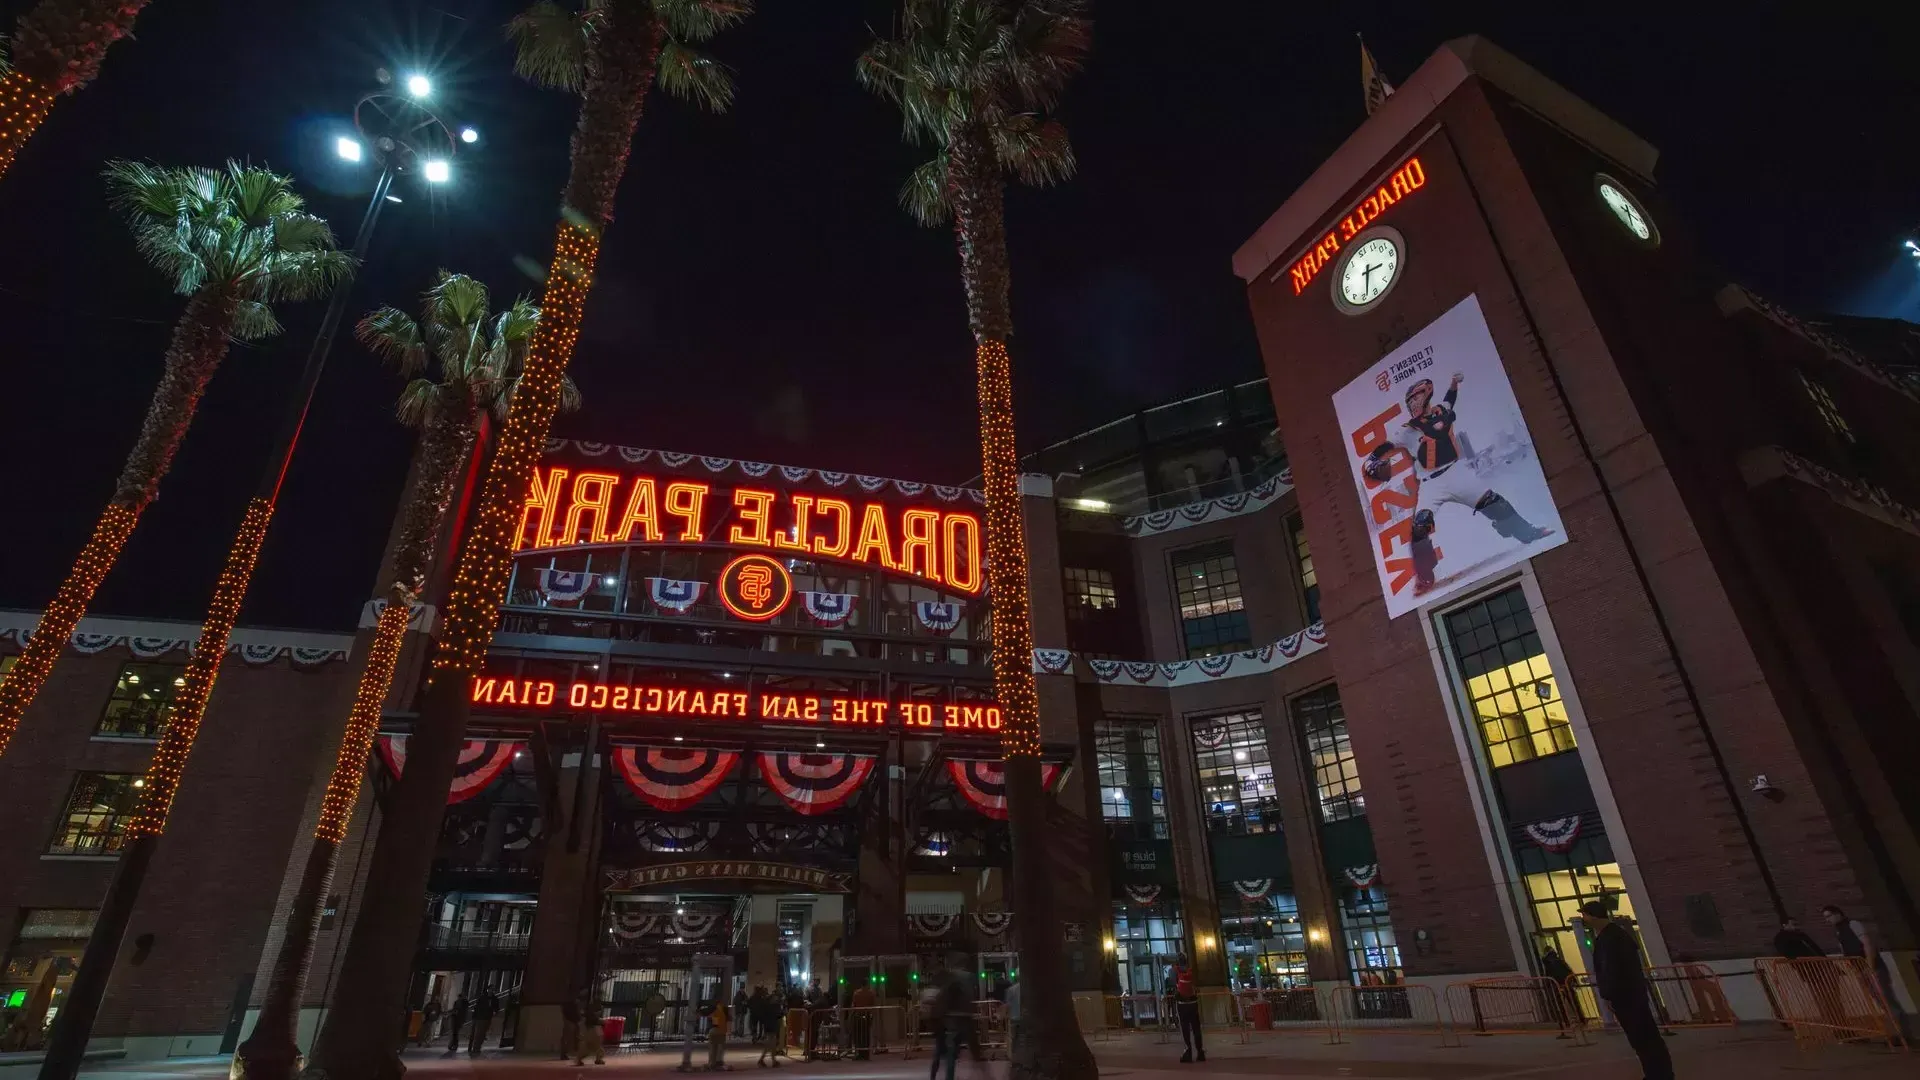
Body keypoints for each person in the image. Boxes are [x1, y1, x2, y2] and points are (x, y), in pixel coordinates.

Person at [1362, 373, 1555, 596]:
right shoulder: (1409, 429)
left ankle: (1528, 533)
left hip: (1457, 472)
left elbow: (1450, 399)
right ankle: (1424, 578)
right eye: (1410, 401)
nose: (1412, 404)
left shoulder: (1441, 410)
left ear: (1426, 395)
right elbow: (1387, 445)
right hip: (1430, 483)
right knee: (1419, 528)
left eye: (1415, 399)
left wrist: (1454, 383)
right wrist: (1372, 459)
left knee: (1495, 503)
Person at [1582, 901, 1671, 1080]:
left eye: (1585, 915)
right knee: (1643, 1037)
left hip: (1627, 996)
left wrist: (1608, 993)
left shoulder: (1610, 938)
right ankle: (1657, 1073)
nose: (1584, 919)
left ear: (1593, 916)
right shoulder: (1614, 936)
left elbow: (1610, 968)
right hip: (1630, 994)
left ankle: (1659, 1074)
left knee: (1642, 1037)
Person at [1823, 905, 1905, 1028]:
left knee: (1887, 999)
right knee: (1880, 1001)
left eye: (1829, 916)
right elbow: (1845, 949)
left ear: (1837, 913)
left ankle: (1904, 1032)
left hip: (1872, 967)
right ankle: (1897, 1031)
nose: (1827, 920)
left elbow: (1867, 943)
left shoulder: (1853, 924)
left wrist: (1870, 966)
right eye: (1825, 918)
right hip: (1859, 968)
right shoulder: (1838, 930)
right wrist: (1852, 968)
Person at [1172, 951, 1203, 1063]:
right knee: (1196, 1028)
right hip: (1193, 1002)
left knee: (1185, 1029)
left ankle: (1188, 1052)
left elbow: (1173, 984)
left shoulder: (1175, 971)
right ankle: (1200, 1051)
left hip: (1182, 1004)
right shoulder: (1191, 971)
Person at [1538, 947, 1575, 1034]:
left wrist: (1547, 985)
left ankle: (1565, 1023)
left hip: (1556, 985)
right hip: (1566, 983)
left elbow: (1548, 975)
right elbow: (1568, 970)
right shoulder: (1559, 960)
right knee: (1572, 1001)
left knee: (1560, 1005)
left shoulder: (1547, 962)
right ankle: (1580, 1019)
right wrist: (1573, 980)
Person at [849, 978, 877, 1059]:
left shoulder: (856, 993)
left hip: (858, 1016)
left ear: (861, 984)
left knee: (858, 1035)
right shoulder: (871, 993)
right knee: (866, 1035)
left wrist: (851, 1015)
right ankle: (866, 1053)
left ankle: (859, 1053)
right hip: (867, 1015)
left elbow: (853, 1005)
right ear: (867, 984)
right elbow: (873, 1005)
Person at [576, 999, 606, 1066]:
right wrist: (602, 1021)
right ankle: (598, 1059)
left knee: (591, 1047)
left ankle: (579, 1058)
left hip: (590, 1030)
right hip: (594, 1029)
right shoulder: (593, 1012)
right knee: (596, 1047)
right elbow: (596, 1020)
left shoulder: (589, 1011)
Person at [1001, 974, 1022, 1057]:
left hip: (1013, 1017)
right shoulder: (1028, 989)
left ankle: (1013, 1056)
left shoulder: (1010, 990)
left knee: (1013, 1038)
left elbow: (1008, 1005)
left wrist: (1004, 1015)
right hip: (1024, 1017)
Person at [709, 995, 730, 1069]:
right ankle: (719, 1061)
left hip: (714, 1030)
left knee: (712, 1047)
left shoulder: (714, 1009)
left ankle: (712, 1063)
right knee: (720, 1047)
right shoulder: (723, 1009)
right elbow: (728, 1019)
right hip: (721, 1030)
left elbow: (715, 1023)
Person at [561, 993, 583, 1061]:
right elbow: (576, 1013)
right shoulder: (573, 1003)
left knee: (570, 1038)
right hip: (572, 1021)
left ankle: (566, 1053)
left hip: (572, 1021)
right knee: (569, 1038)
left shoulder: (570, 1003)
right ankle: (565, 1053)